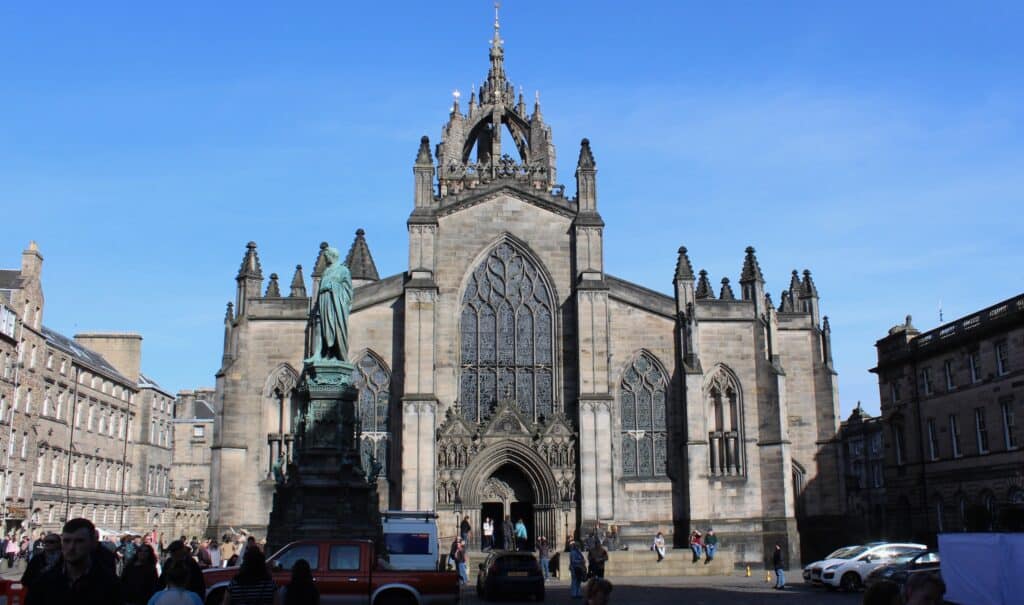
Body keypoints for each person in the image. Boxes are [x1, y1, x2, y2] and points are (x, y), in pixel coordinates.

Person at [24, 518, 123, 605]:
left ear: (93, 543)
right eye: (67, 541)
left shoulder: (109, 584)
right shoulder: (44, 581)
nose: (71, 547)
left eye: (79, 541)